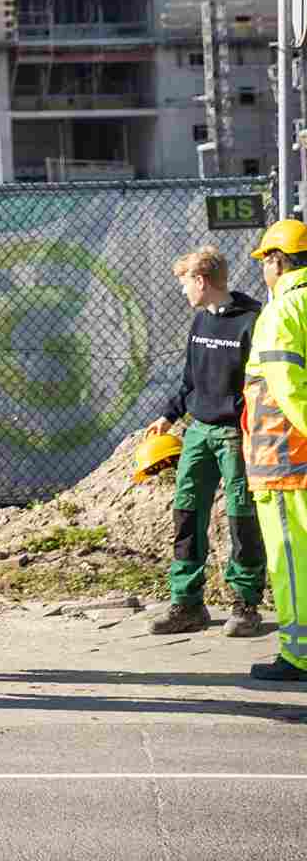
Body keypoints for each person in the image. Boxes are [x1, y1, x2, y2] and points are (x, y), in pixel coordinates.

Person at [140, 247, 270, 639]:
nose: (183, 292)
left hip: (235, 433)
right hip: (198, 430)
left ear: (202, 281)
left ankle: (246, 604)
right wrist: (168, 416)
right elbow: (188, 381)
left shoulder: (252, 321)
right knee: (185, 511)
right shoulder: (199, 322)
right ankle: (187, 602)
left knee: (241, 516)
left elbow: (260, 384)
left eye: (184, 283)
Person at [244, 217, 307, 685]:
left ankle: (299, 654)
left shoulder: (283, 311)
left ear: (276, 260)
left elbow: (287, 387)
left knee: (291, 555)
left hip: (288, 459)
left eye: (265, 261)